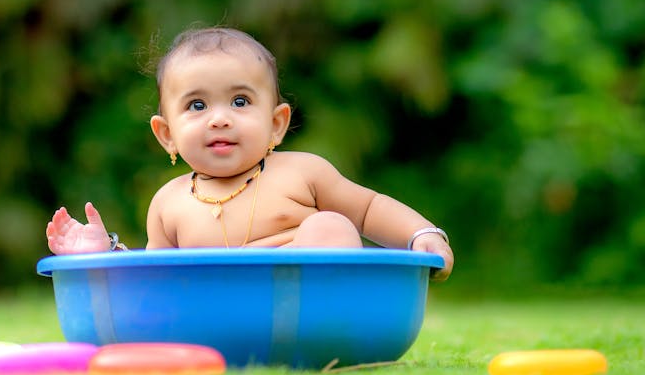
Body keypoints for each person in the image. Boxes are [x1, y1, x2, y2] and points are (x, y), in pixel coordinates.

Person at [45, 27, 455, 281]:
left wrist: (422, 234)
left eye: (240, 102)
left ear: (276, 124)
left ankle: (335, 326)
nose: (220, 119)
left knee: (328, 225)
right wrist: (106, 255)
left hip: (311, 305)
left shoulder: (302, 172)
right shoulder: (168, 203)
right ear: (166, 134)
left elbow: (367, 209)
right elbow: (158, 280)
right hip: (220, 318)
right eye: (197, 106)